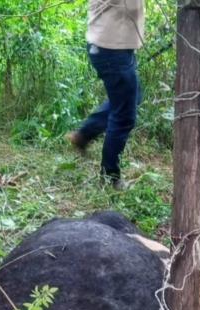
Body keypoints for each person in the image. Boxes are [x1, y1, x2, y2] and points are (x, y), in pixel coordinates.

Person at [67, 0, 144, 188]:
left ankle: (84, 134)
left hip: (113, 48)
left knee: (131, 98)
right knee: (124, 116)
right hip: (112, 50)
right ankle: (110, 177)